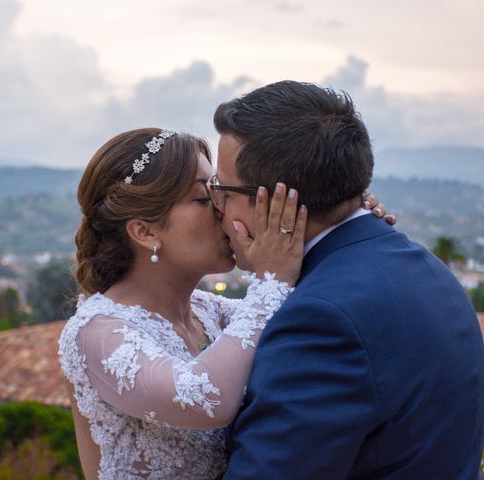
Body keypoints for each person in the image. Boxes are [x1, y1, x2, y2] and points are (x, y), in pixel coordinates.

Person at [58, 127, 390, 479]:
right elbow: (204, 398)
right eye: (204, 198)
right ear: (146, 232)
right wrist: (270, 280)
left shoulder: (212, 312)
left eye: (220, 191)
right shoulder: (94, 333)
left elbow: (301, 314)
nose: (222, 208)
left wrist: (341, 218)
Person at [211, 81, 484, 479]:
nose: (216, 206)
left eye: (222, 189)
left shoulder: (322, 319)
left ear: (276, 202)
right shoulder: (425, 266)